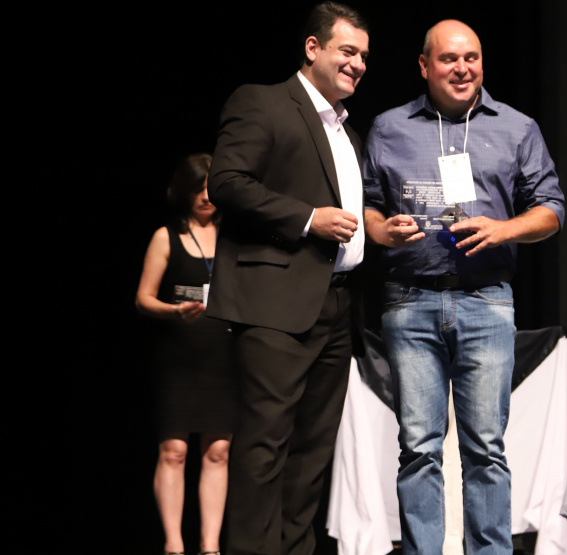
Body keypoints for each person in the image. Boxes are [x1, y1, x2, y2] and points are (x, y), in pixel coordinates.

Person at [362, 20, 565, 554]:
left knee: (486, 450)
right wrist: (381, 229)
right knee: (419, 448)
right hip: (410, 299)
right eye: (449, 59)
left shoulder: (517, 127)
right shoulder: (388, 127)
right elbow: (367, 204)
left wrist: (505, 228)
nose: (462, 68)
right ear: (425, 66)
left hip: (487, 300)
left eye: (471, 58)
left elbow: (552, 210)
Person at [205, 2, 368, 554]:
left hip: (337, 305)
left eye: (364, 56)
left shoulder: (347, 130)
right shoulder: (265, 101)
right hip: (273, 303)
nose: (358, 64)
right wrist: (308, 218)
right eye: (348, 51)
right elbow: (226, 181)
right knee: (265, 447)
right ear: (313, 48)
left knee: (313, 452)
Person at [135, 153, 236, 555]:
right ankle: (174, 545)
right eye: (198, 188)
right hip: (181, 357)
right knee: (174, 450)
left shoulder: (233, 235)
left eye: (211, 187)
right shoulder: (167, 235)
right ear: (184, 191)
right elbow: (142, 299)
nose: (206, 196)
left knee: (218, 450)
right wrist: (175, 310)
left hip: (225, 356)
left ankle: (210, 546)